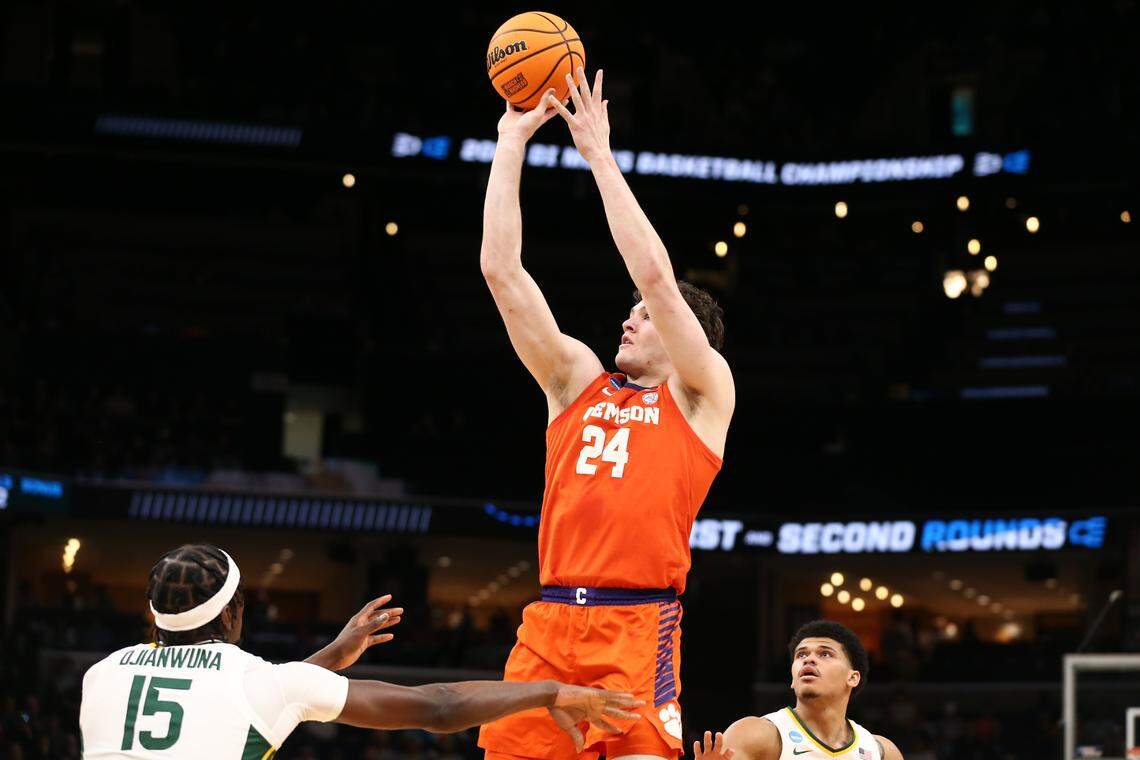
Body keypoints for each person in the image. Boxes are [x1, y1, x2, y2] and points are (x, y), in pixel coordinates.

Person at [477, 66, 735, 760]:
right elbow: (502, 273)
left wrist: (597, 153)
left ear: (689, 337)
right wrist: (510, 143)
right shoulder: (576, 383)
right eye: (628, 314)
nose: (629, 321)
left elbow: (654, 274)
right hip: (551, 622)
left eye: (645, 319)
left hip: (637, 624)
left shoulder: (702, 392)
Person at [79, 544, 641, 758]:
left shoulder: (99, 677)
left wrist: (329, 656)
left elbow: (234, 697)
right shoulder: (263, 681)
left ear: (154, 615)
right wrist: (550, 690)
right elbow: (438, 706)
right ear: (233, 614)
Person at [691, 621, 904, 760]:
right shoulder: (756, 734)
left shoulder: (882, 752)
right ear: (793, 679)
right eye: (801, 655)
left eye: (825, 654)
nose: (809, 659)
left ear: (852, 677)